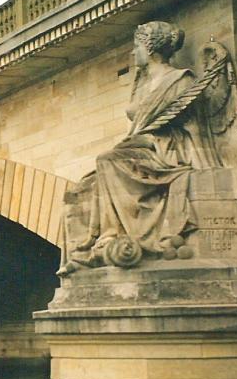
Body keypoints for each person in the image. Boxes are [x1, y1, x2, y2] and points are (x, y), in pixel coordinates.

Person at [72, 21, 213, 264]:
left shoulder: (180, 80)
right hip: (140, 148)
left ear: (151, 49)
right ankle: (103, 239)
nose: (133, 52)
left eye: (136, 46)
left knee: (106, 160)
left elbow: (194, 128)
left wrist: (207, 163)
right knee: (85, 185)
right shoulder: (143, 84)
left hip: (166, 151)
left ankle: (112, 234)